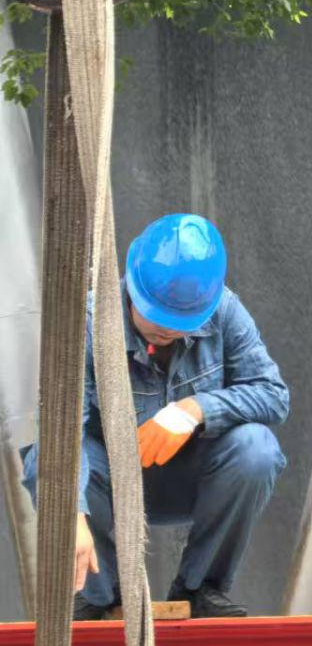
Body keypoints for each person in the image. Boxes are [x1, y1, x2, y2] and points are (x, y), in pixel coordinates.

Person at [22, 213, 289, 619]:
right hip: (108, 483)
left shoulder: (225, 311)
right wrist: (70, 512)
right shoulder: (89, 323)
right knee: (45, 460)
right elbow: (63, 431)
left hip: (189, 478)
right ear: (131, 286)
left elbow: (273, 394)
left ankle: (200, 588)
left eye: (180, 322)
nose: (166, 330)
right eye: (157, 316)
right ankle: (101, 596)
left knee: (257, 449)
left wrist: (195, 410)